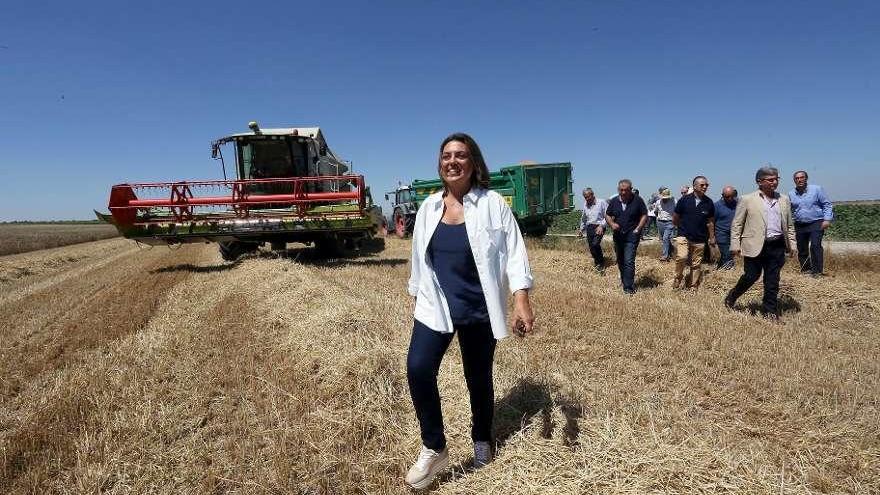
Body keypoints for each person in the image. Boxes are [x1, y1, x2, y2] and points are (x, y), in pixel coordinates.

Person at [405, 133, 535, 489]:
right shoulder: (429, 208)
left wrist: (520, 299)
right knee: (418, 369)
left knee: (477, 377)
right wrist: (416, 294)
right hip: (437, 307)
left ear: (473, 163)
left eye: (460, 155)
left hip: (479, 308)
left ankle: (481, 437)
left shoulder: (492, 204)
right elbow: (420, 260)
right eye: (446, 155)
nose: (452, 161)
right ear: (440, 163)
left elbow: (514, 251)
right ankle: (434, 447)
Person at [725, 165, 795, 321]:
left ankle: (769, 311)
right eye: (770, 180)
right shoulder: (747, 199)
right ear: (759, 181)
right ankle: (732, 295)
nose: (774, 182)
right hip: (754, 245)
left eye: (776, 179)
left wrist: (792, 245)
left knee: (772, 279)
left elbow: (789, 225)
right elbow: (737, 224)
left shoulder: (783, 199)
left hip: (776, 245)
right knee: (751, 276)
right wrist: (735, 245)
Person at [672, 176, 716, 289]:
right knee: (682, 257)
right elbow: (675, 217)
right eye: (702, 185)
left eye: (706, 185)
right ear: (695, 186)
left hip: (700, 238)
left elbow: (710, 222)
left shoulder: (709, 202)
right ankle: (678, 277)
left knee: (696, 264)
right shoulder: (684, 200)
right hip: (683, 235)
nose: (705, 187)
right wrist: (681, 228)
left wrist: (712, 237)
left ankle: (693, 285)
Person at [605, 179, 648, 294]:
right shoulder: (614, 201)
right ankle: (625, 280)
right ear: (618, 190)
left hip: (631, 235)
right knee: (620, 259)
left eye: (626, 190)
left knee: (629, 260)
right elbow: (608, 215)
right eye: (621, 190)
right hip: (618, 235)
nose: (623, 192)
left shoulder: (638, 200)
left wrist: (638, 229)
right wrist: (612, 224)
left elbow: (644, 214)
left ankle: (629, 288)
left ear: (631, 189)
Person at [788, 170, 833, 277]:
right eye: (797, 178)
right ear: (794, 180)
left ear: (806, 178)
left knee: (815, 245)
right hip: (799, 224)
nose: (799, 180)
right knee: (802, 248)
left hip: (816, 222)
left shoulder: (817, 189)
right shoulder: (791, 194)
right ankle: (806, 270)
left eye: (802, 177)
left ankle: (817, 271)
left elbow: (827, 204)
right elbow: (789, 209)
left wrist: (827, 219)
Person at [576, 187, 607, 273]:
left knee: (595, 244)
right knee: (591, 247)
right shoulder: (585, 204)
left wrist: (601, 225)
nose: (586, 199)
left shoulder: (602, 202)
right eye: (585, 197)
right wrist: (581, 229)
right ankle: (597, 262)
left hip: (599, 226)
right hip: (589, 227)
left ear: (592, 195)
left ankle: (601, 263)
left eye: (587, 197)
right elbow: (584, 218)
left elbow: (608, 215)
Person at [714, 186, 738, 269]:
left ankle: (719, 268)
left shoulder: (738, 204)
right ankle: (728, 271)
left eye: (732, 196)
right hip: (721, 233)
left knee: (729, 254)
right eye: (727, 197)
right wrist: (712, 237)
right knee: (726, 253)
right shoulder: (716, 206)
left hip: (734, 234)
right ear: (722, 195)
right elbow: (711, 222)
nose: (730, 198)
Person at [653, 187, 676, 261]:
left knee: (665, 238)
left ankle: (664, 256)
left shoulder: (674, 201)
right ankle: (671, 251)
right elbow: (655, 211)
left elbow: (677, 212)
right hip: (660, 222)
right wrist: (658, 218)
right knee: (664, 239)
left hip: (670, 222)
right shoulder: (658, 202)